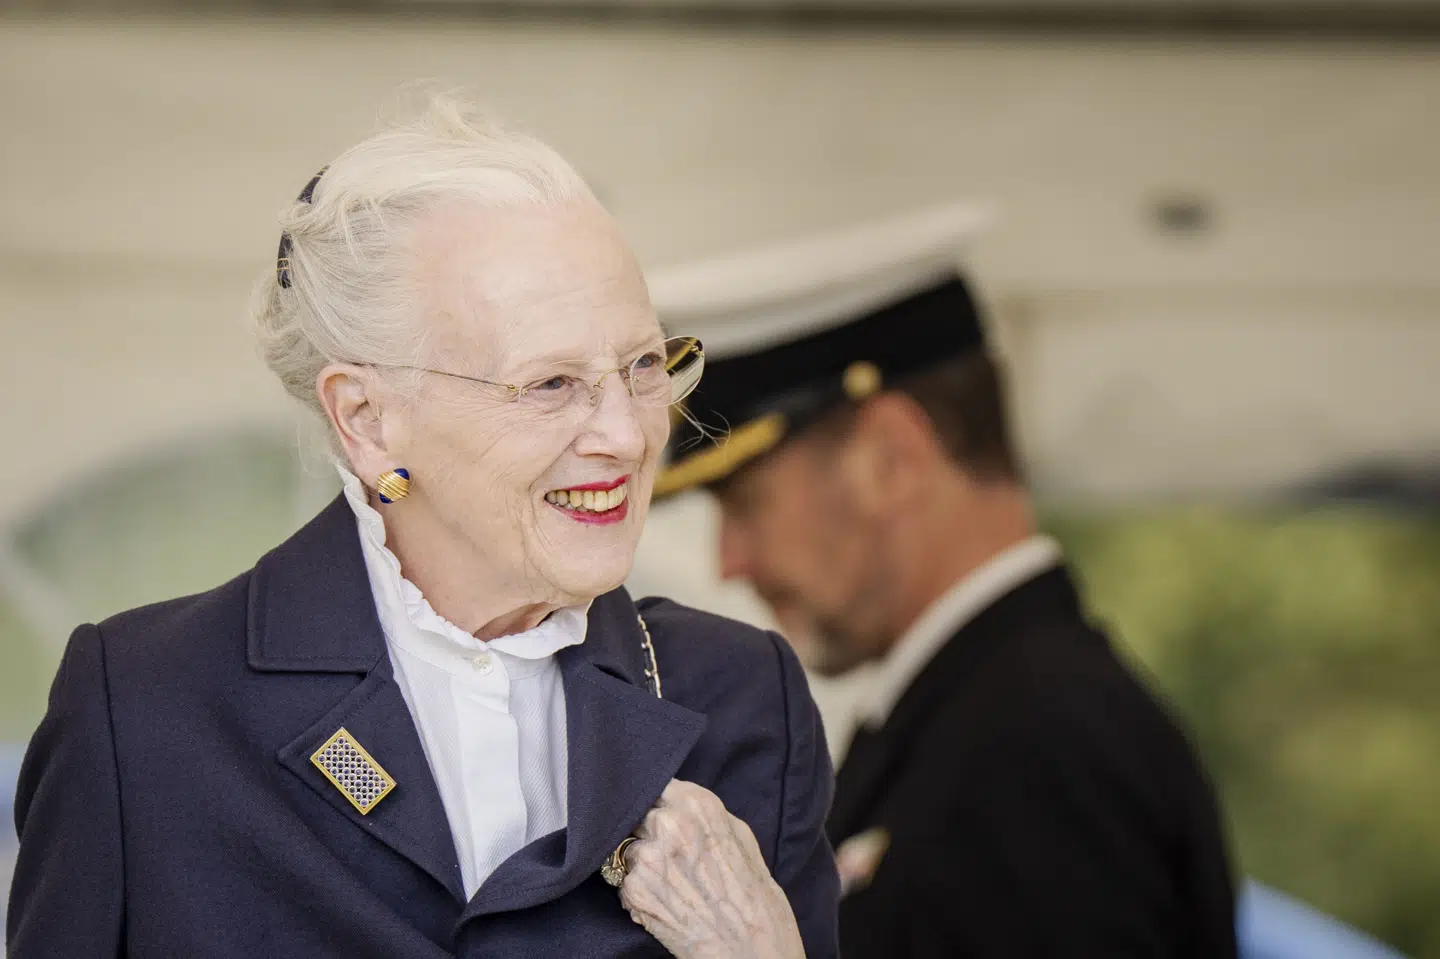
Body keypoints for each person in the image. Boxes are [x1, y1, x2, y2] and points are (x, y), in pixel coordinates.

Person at [7, 94, 838, 958]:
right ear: (366, 419)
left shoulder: (745, 699)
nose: (628, 435)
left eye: (643, 365)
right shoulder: (147, 707)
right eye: (550, 384)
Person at [650, 206, 1239, 958]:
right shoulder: (991, 717)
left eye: (747, 504)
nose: (728, 561)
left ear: (891, 457)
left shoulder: (1040, 744)